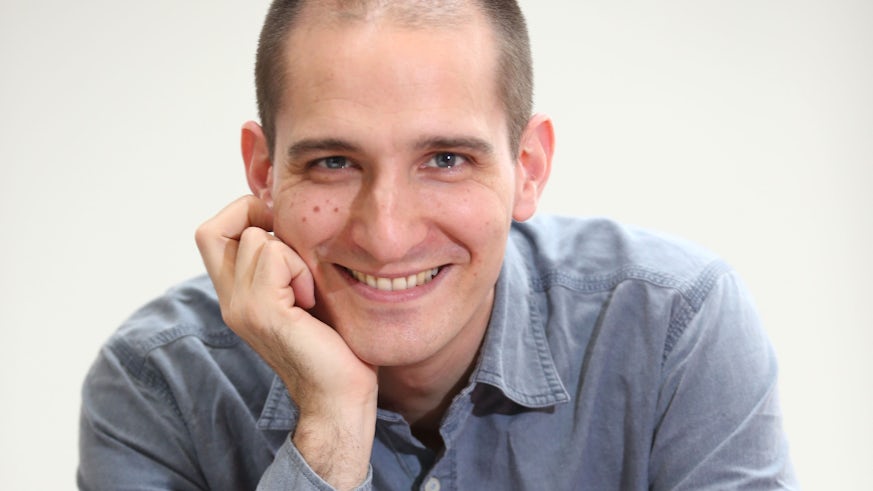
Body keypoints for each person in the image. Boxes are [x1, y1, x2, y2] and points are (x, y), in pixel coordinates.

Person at [78, 0, 797, 489]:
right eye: (334, 161)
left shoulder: (672, 330)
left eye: (445, 159)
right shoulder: (157, 384)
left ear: (528, 168)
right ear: (264, 173)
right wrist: (329, 432)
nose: (387, 234)